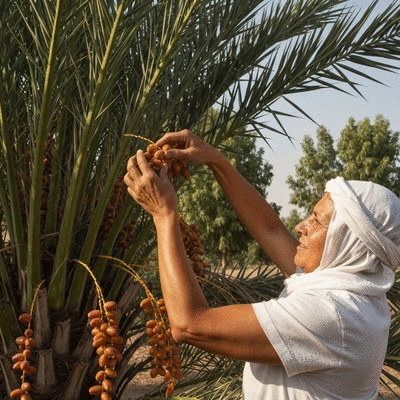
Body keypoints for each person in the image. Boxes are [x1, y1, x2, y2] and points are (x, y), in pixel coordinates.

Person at [124, 129, 400, 399]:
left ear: (348, 242)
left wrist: (163, 214)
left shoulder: (333, 315)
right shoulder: (347, 289)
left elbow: (189, 324)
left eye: (316, 220)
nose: (301, 225)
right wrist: (215, 161)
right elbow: (271, 231)